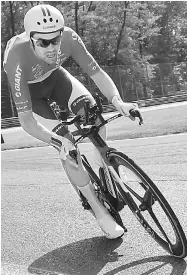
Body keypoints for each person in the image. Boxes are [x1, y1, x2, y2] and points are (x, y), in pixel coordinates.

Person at [3, 4, 141, 239]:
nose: (52, 47)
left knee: (94, 115)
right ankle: (100, 213)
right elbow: (26, 120)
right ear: (30, 39)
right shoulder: (16, 56)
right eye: (43, 42)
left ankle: (102, 160)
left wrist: (119, 103)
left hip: (57, 79)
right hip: (32, 95)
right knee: (68, 148)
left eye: (55, 40)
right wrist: (57, 142)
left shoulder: (70, 38)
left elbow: (96, 73)